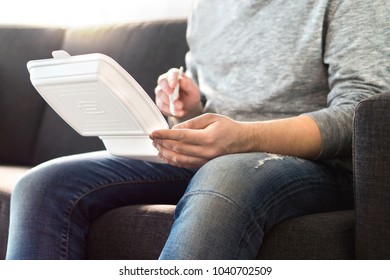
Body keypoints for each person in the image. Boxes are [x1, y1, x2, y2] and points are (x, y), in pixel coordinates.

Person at [6, 0, 389, 259]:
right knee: (44, 183)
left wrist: (245, 137)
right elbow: (213, 102)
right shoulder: (210, 7)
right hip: (220, 150)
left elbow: (361, 114)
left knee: (227, 173)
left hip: (316, 163)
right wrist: (190, 107)